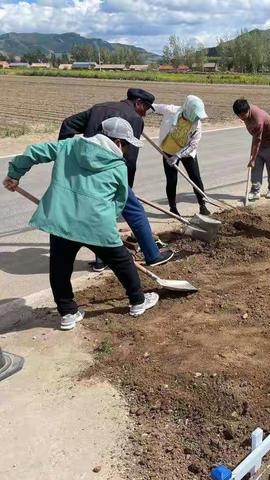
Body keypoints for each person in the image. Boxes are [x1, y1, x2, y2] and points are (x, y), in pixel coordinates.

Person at [3, 118, 159, 330]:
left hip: (63, 222)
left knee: (60, 268)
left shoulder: (69, 146)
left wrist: (15, 174)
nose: (128, 150)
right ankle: (138, 301)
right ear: (117, 141)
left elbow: (33, 152)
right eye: (127, 145)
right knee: (122, 261)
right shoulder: (118, 166)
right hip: (97, 224)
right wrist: (107, 217)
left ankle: (67, 314)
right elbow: (120, 199)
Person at [59, 88, 173, 270]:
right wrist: (126, 187)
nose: (145, 114)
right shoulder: (134, 119)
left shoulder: (99, 108)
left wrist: (67, 157)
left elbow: (67, 125)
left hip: (87, 171)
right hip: (110, 172)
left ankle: (100, 261)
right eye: (146, 109)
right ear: (138, 103)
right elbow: (130, 158)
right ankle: (153, 255)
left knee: (100, 213)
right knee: (135, 212)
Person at [150, 95, 210, 217]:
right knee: (171, 180)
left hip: (187, 152)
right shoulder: (171, 111)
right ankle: (173, 209)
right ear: (188, 109)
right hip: (168, 151)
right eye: (196, 114)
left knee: (195, 178)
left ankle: (203, 206)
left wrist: (178, 156)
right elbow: (153, 107)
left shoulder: (196, 124)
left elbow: (193, 144)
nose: (197, 117)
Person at [233, 98, 270, 201]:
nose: (242, 118)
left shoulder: (257, 120)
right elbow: (255, 138)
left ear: (248, 111)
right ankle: (255, 191)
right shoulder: (245, 111)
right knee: (256, 167)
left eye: (243, 115)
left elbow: (257, 140)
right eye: (240, 116)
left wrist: (253, 158)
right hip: (258, 140)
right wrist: (253, 158)